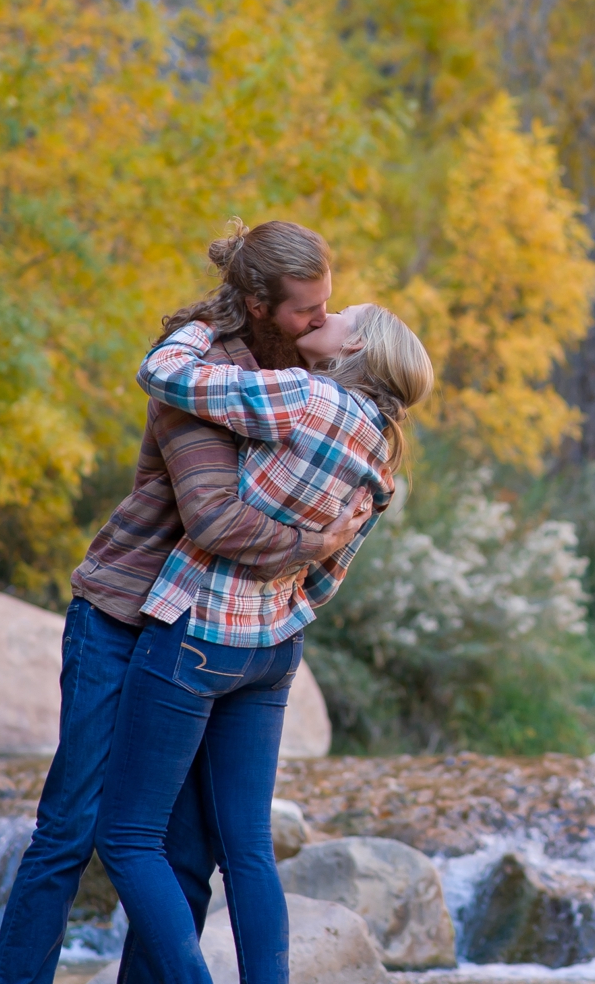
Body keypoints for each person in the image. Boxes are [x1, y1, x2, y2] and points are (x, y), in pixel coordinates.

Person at [0, 220, 364, 984]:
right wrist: (315, 549)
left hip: (203, 632)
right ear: (258, 302)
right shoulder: (203, 373)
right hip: (123, 615)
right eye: (306, 309)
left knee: (187, 849)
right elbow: (214, 518)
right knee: (71, 830)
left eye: (327, 305)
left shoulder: (302, 373)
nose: (323, 321)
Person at [94, 300, 433, 984]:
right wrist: (273, 610)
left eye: (340, 313)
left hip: (196, 631)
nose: (326, 313)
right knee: (246, 850)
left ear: (356, 344)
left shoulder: (305, 397)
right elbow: (325, 579)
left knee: (127, 837)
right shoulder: (380, 458)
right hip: (272, 653)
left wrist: (204, 321)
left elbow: (166, 374)